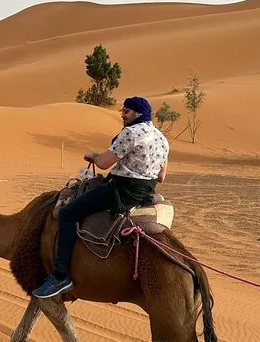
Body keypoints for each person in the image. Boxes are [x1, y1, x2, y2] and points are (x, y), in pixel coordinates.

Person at [32, 96, 169, 298]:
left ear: (138, 114)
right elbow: (161, 177)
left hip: (122, 191)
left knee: (67, 213)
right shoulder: (162, 138)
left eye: (126, 111)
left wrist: (94, 156)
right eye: (122, 111)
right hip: (146, 191)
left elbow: (104, 164)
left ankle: (60, 276)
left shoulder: (131, 133)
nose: (123, 115)